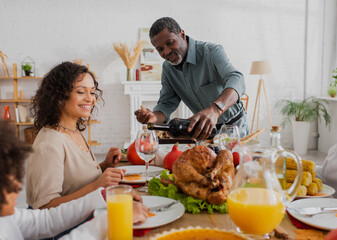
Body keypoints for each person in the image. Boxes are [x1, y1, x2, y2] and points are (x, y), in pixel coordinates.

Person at [26, 62, 148, 220]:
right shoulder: (49, 143)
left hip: (84, 214)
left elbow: (72, 180)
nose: (90, 99)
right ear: (59, 97)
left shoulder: (72, 129)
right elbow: (44, 209)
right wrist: (97, 186)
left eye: (92, 92)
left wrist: (104, 166)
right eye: (81, 92)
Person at [0, 120, 117, 239]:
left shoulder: (9, 218)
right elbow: (46, 209)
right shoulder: (50, 140)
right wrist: (108, 220)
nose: (19, 187)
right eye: (6, 183)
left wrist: (102, 194)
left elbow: (46, 221)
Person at [135, 17, 248, 140]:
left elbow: (237, 79)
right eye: (160, 49)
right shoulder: (167, 69)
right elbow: (166, 104)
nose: (166, 52)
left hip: (235, 127)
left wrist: (215, 109)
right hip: (204, 131)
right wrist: (154, 117)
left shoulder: (211, 52)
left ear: (182, 34)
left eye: (170, 43)